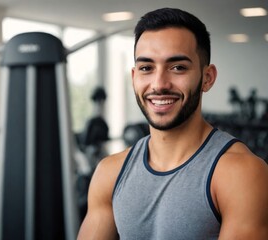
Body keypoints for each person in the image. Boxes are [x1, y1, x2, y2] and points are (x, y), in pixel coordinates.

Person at [77, 7, 268, 240]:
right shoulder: (110, 172)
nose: (159, 84)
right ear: (134, 77)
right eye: (146, 68)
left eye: (177, 67)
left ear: (207, 78)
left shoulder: (241, 173)